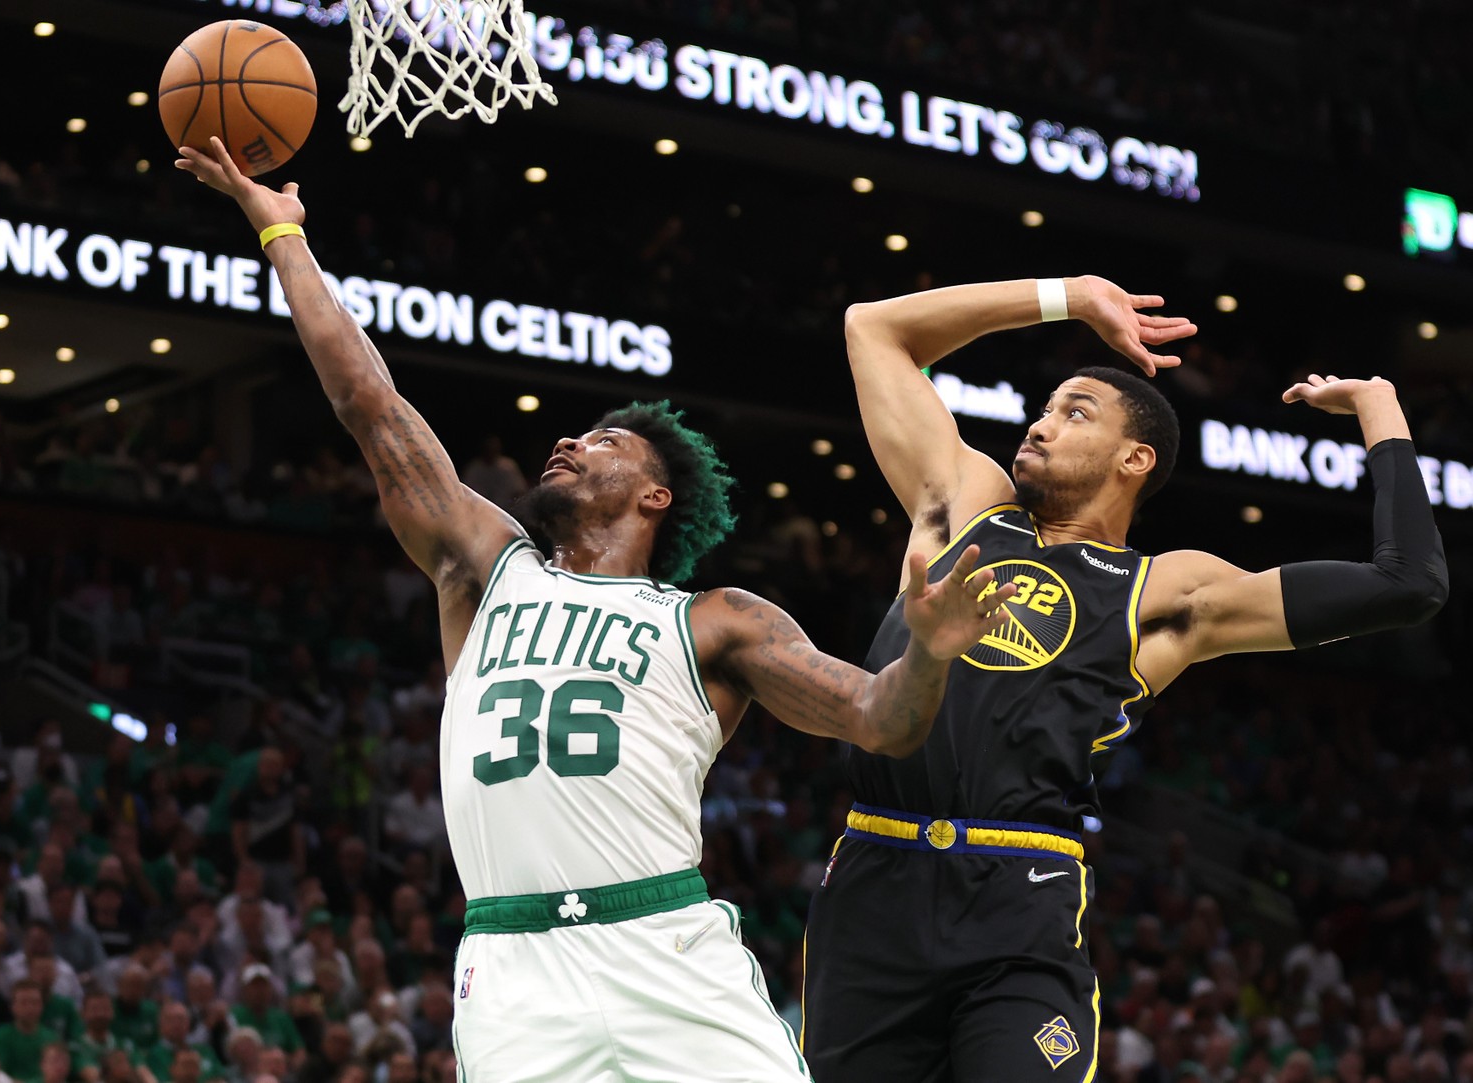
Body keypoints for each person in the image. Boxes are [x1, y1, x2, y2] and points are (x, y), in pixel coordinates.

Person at [176, 137, 1017, 1083]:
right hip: (513, 967)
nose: (569, 438)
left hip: (665, 948)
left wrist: (936, 652)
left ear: (656, 498)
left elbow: (882, 719)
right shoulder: (483, 566)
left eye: (605, 440)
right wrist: (281, 229)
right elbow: (370, 403)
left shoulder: (716, 621)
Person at [801, 275, 1450, 1082]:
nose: (1040, 423)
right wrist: (1067, 297)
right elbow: (873, 325)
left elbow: (1408, 583)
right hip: (874, 879)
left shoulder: (1167, 590)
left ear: (1133, 459)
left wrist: (1379, 407)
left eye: (1075, 413)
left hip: (1019, 897)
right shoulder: (965, 500)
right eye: (1044, 407)